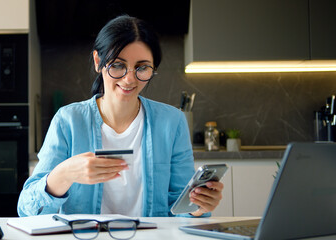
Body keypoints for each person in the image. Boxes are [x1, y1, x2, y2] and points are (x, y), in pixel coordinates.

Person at [17, 15, 223, 217]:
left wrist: (199, 207)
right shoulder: (68, 121)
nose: (129, 78)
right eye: (117, 65)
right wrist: (64, 174)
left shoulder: (172, 122)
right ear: (98, 61)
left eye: (142, 68)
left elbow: (181, 207)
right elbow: (27, 210)